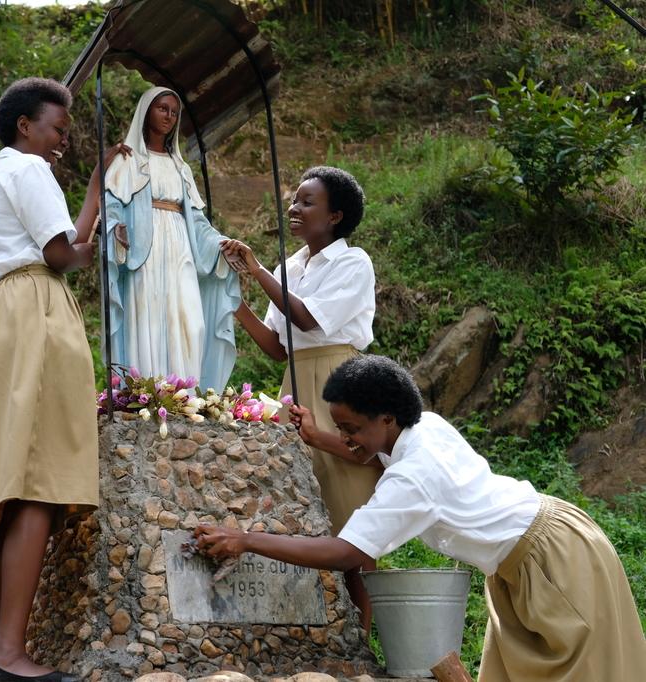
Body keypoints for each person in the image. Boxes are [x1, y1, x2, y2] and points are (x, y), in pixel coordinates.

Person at [195, 354, 646, 682]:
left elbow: (345, 552)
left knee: (587, 671)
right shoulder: (423, 426)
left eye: (350, 428)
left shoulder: (414, 477)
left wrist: (246, 539)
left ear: (386, 417)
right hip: (531, 553)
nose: (346, 438)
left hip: (554, 562)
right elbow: (377, 458)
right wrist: (318, 438)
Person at [0, 77, 129, 682]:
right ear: (25, 125)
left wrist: (94, 193)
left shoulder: (7, 173)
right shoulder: (28, 171)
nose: (62, 140)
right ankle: (8, 653)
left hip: (4, 316)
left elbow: (59, 241)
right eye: (57, 128)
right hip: (34, 315)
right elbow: (63, 255)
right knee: (38, 485)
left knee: (15, 490)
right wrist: (104, 244)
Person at [220, 166, 382, 624]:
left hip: (340, 382)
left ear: (335, 216)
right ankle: (333, 631)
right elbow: (276, 347)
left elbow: (309, 322)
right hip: (294, 384)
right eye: (294, 199)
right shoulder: (289, 267)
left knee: (351, 512)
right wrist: (235, 303)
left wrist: (254, 268)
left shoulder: (353, 263)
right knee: (305, 504)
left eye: (307, 202)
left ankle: (369, 634)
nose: (294, 208)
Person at [103, 85, 240, 392]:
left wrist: (220, 246)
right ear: (146, 111)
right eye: (162, 108)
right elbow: (111, 205)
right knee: (148, 315)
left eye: (174, 112)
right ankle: (149, 394)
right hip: (145, 248)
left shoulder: (181, 167)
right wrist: (115, 227)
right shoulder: (128, 161)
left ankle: (184, 393)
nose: (169, 116)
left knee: (191, 320)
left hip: (180, 245)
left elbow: (197, 219)